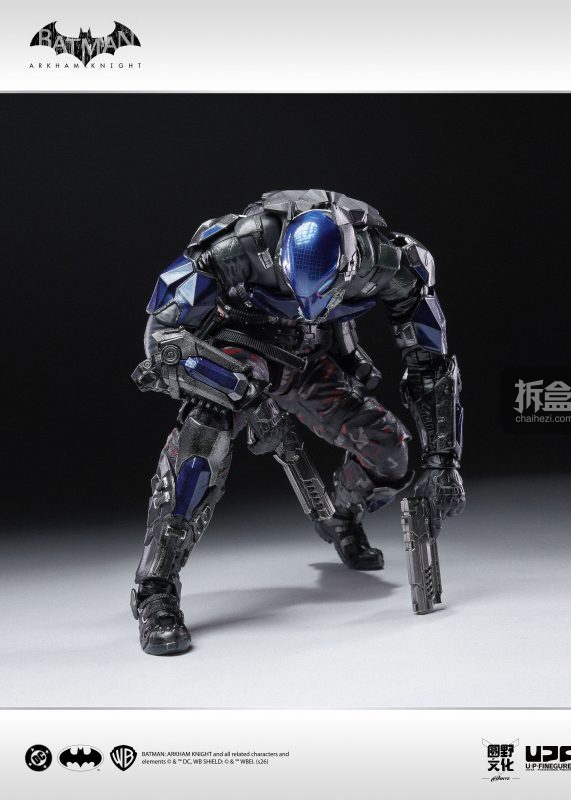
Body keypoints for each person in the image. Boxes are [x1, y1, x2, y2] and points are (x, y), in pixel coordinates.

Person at [130, 189, 465, 655]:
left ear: (352, 266)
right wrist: (242, 392)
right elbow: (163, 341)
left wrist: (444, 460)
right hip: (237, 357)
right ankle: (155, 588)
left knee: (390, 450)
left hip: (307, 362)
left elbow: (430, 364)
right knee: (202, 445)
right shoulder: (240, 243)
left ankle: (342, 519)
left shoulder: (394, 263)